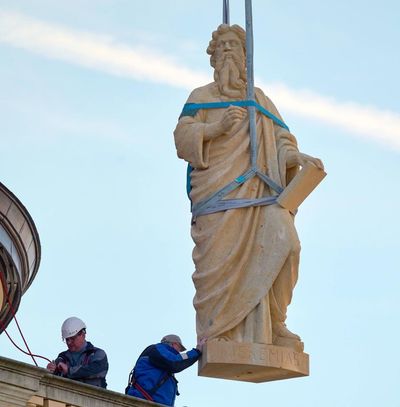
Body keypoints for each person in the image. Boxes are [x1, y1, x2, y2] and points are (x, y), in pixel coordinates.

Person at [174, 24, 324, 352]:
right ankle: (221, 330)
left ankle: (275, 322)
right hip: (219, 199)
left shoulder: (260, 100)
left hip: (262, 195)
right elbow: (182, 139)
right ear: (213, 59)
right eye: (222, 47)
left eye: (235, 46)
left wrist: (296, 156)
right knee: (222, 265)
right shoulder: (201, 97)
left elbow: (280, 140)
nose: (228, 51)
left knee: (288, 244)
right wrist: (217, 127)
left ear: (245, 57)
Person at [126, 334, 205, 406]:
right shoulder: (158, 348)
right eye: (179, 349)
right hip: (145, 401)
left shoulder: (161, 358)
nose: (179, 352)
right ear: (174, 344)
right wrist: (196, 351)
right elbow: (174, 362)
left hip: (151, 401)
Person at [46, 317, 108, 388]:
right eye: (67, 339)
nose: (69, 342)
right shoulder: (63, 357)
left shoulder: (98, 354)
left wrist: (69, 371)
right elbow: (54, 378)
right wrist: (51, 370)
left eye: (72, 338)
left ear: (83, 334)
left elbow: (94, 371)